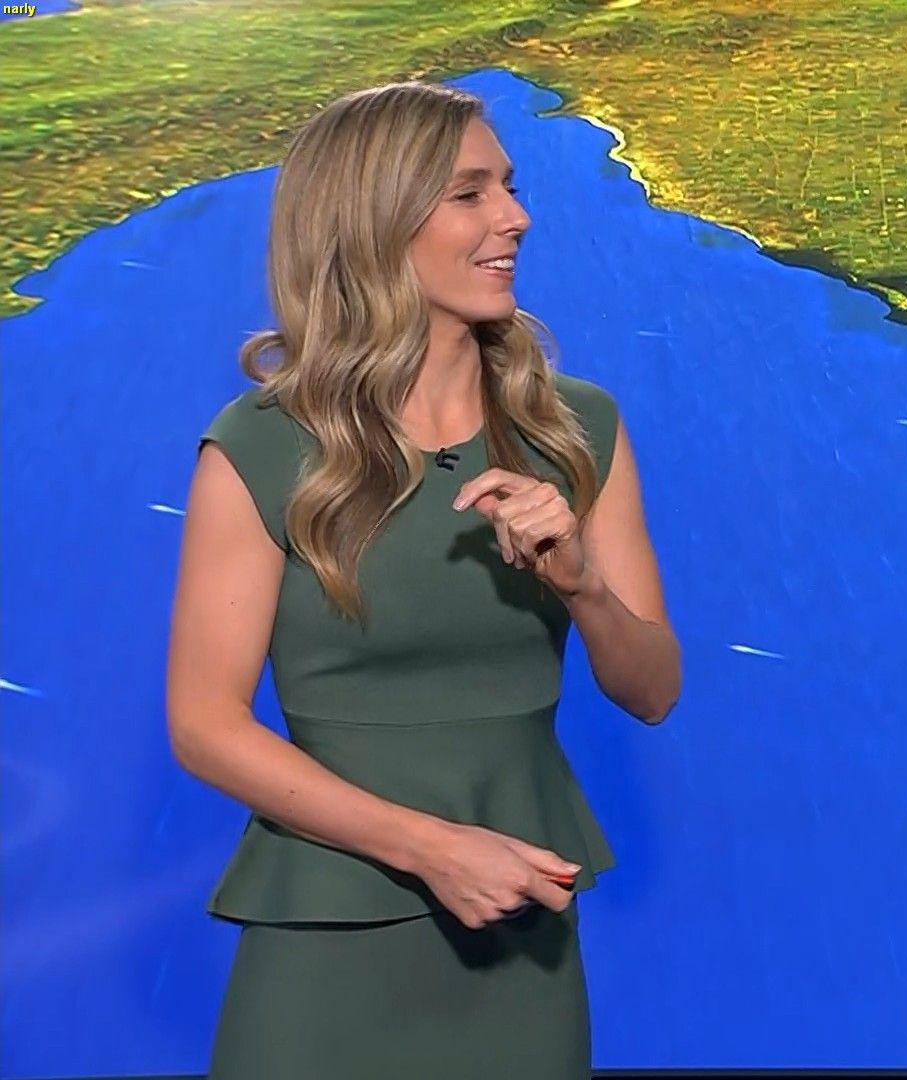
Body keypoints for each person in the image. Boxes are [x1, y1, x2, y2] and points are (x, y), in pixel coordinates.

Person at [164, 81, 682, 1079]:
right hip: (327, 939)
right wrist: (431, 847)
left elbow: (654, 690)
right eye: (470, 194)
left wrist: (581, 585)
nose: (515, 218)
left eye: (511, 188)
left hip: (519, 934)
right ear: (376, 223)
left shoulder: (578, 430)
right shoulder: (261, 448)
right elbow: (204, 725)